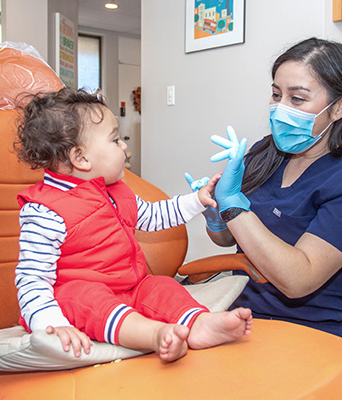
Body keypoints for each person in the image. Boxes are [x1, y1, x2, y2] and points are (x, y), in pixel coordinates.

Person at [14, 87, 252, 363]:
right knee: (89, 299)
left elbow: (154, 216)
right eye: (115, 140)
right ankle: (155, 334)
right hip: (77, 299)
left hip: (130, 287)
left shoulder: (116, 191)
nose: (124, 146)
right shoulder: (44, 210)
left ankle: (198, 324)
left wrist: (198, 200)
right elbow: (32, 279)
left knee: (162, 287)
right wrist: (51, 324)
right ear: (80, 158)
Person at [205, 37, 342, 343]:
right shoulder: (264, 154)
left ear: (339, 106)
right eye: (276, 95)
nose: (281, 109)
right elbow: (227, 239)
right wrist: (216, 215)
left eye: (298, 99)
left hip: (315, 333)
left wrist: (234, 205)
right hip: (243, 321)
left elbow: (298, 279)